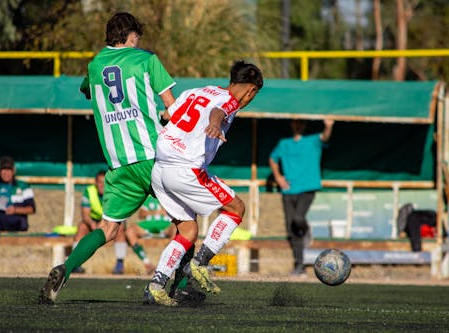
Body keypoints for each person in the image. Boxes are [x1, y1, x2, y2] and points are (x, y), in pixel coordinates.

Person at [39, 12, 176, 304]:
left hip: (118, 165)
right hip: (153, 157)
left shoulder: (95, 65)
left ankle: (66, 268)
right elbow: (172, 107)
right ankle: (181, 285)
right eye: (137, 36)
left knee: (108, 229)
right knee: (186, 221)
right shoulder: (146, 59)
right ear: (132, 36)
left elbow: (89, 91)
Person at [143, 60, 264, 306]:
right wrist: (215, 123)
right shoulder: (229, 101)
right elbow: (218, 112)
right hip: (186, 170)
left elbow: (170, 114)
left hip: (160, 169)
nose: (250, 99)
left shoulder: (196, 91)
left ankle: (156, 285)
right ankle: (200, 263)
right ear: (250, 89)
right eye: (254, 94)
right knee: (236, 208)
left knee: (187, 231)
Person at [268, 119, 334, 277]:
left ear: (305, 125)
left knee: (298, 218)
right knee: (292, 229)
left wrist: (329, 126)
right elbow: (272, 158)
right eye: (295, 123)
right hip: (288, 190)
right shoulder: (284, 143)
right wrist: (278, 177)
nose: (298, 125)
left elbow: (325, 137)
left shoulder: (312, 141)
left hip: (307, 187)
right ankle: (299, 265)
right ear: (291, 125)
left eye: (301, 123)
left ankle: (305, 229)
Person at [70, 170, 128, 275]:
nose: (102, 185)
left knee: (120, 230)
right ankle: (75, 263)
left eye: (104, 182)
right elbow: (85, 215)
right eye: (99, 182)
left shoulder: (115, 192)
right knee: (82, 227)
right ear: (95, 183)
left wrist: (107, 226)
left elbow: (121, 215)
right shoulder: (89, 191)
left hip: (112, 221)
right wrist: (93, 224)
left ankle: (120, 264)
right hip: (94, 220)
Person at [122, 195, 177, 275]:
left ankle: (165, 261)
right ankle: (146, 262)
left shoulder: (168, 195)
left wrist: (152, 212)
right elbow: (141, 214)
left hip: (165, 225)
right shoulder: (148, 197)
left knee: (176, 230)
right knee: (129, 231)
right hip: (147, 225)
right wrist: (157, 212)